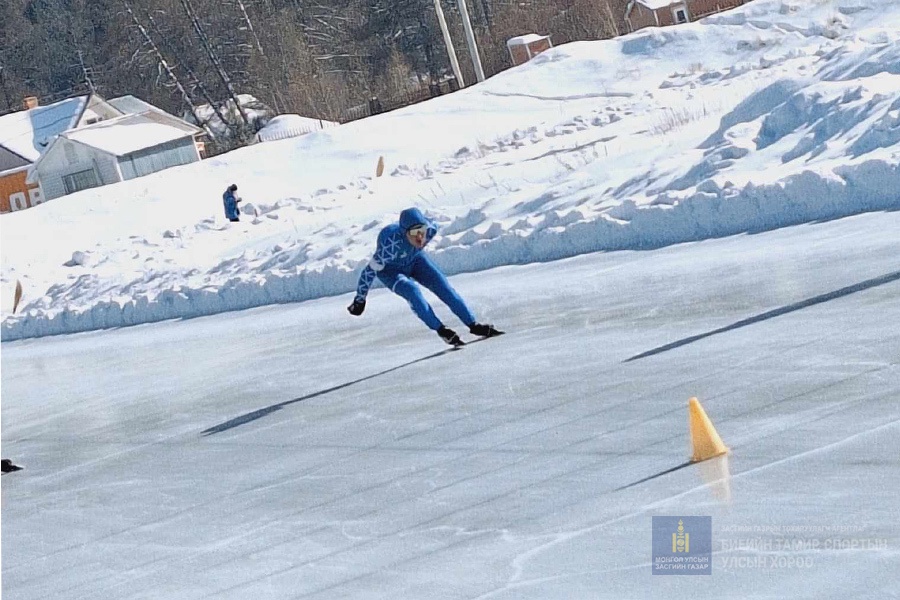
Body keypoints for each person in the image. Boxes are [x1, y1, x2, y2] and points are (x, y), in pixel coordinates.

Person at [347, 207, 503, 345]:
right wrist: (359, 300)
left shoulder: (430, 230)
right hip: (391, 271)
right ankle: (442, 330)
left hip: (415, 260)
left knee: (444, 288)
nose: (420, 237)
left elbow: (429, 224)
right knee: (412, 291)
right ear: (403, 233)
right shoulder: (390, 246)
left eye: (421, 230)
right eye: (414, 233)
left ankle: (473, 325)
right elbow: (369, 272)